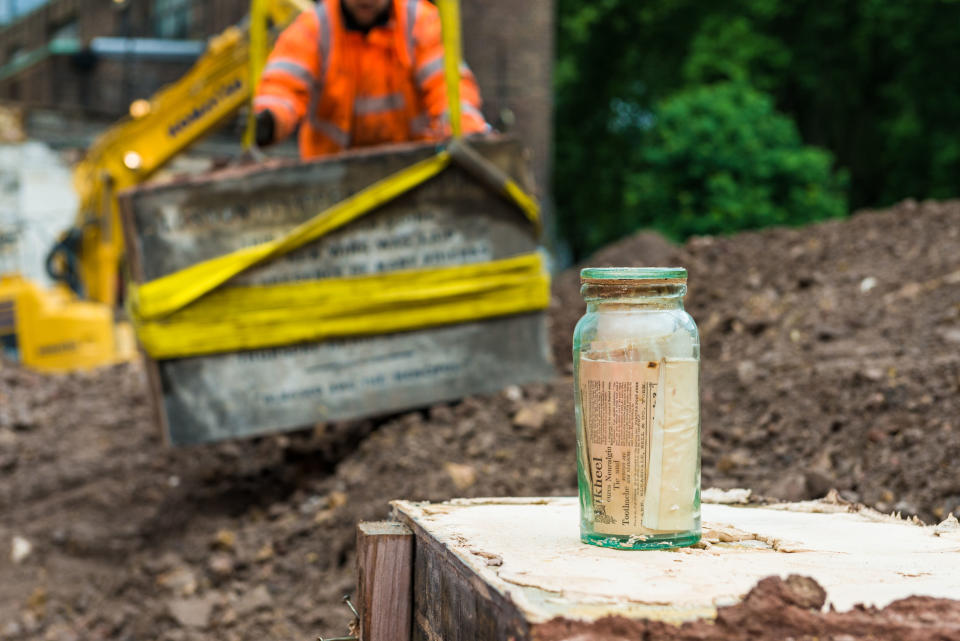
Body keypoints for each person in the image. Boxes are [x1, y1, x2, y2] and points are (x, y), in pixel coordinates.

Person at [254, 0, 489, 159]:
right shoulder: (313, 29)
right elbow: (283, 86)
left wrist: (469, 133)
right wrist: (267, 120)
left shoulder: (421, 23)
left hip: (415, 175)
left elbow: (448, 90)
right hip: (329, 183)